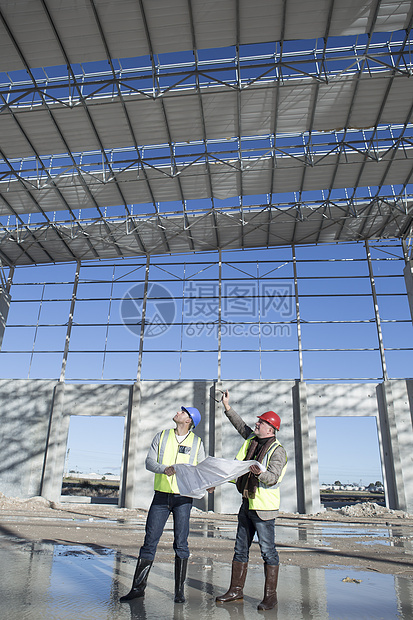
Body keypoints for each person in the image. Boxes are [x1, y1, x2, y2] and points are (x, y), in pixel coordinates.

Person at [120, 405, 205, 604]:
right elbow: (149, 462)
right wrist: (163, 469)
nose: (178, 412)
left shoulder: (197, 442)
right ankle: (137, 589)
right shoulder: (162, 436)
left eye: (183, 412)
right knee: (149, 541)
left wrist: (207, 485)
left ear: (189, 421)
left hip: (183, 499)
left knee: (181, 544)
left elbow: (201, 470)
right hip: (161, 497)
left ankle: (179, 593)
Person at [215, 390, 287, 611]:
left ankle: (270, 597)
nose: (257, 424)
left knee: (268, 551)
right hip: (247, 504)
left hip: (264, 510)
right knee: (240, 549)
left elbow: (273, 478)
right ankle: (236, 591)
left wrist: (257, 472)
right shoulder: (252, 441)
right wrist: (227, 407)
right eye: (258, 421)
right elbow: (241, 426)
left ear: (271, 429)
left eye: (262, 422)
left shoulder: (278, 451)